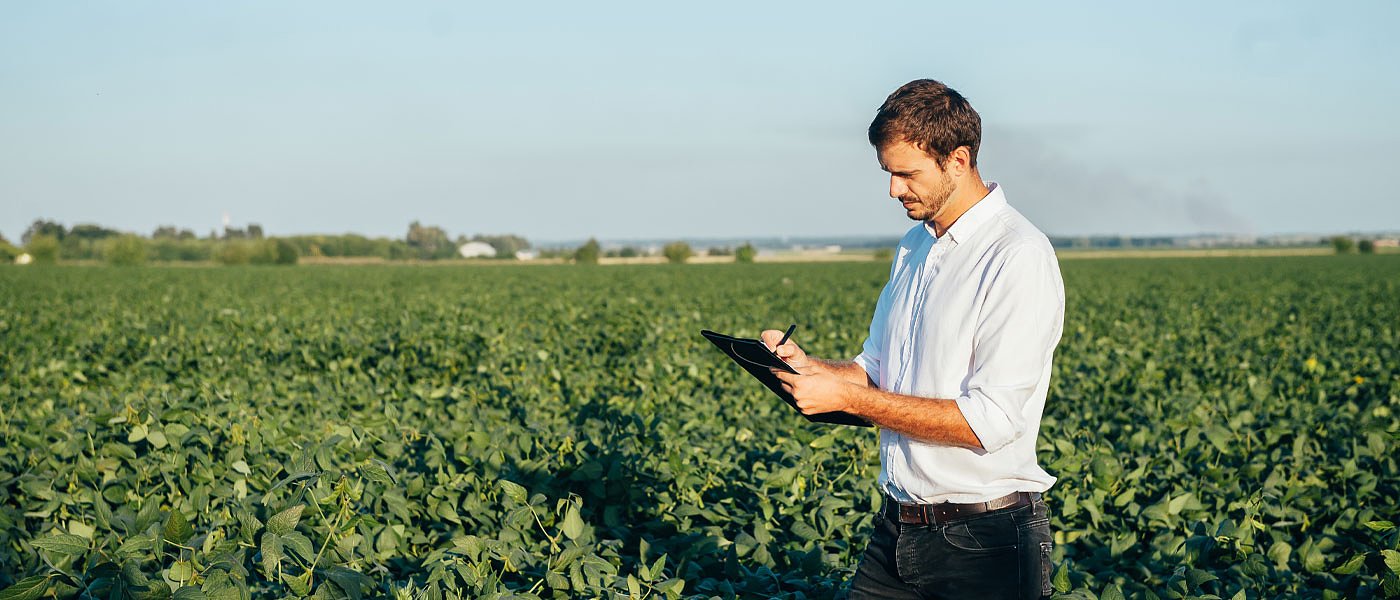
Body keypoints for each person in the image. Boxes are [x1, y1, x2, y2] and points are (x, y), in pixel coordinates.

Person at [764, 79, 1065, 599]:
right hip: (896, 531)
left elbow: (990, 421)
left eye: (907, 174)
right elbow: (877, 371)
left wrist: (851, 398)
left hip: (985, 541)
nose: (893, 189)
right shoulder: (913, 248)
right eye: (889, 173)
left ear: (958, 159)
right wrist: (812, 371)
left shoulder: (1017, 256)